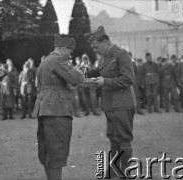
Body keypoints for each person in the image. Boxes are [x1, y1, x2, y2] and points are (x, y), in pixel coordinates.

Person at [84, 26, 136, 179]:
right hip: (110, 104)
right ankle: (113, 171)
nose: (95, 50)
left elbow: (128, 79)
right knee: (113, 138)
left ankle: (125, 174)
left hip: (122, 103)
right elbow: (102, 75)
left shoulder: (121, 55)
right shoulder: (104, 58)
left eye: (96, 46)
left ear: (105, 41)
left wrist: (104, 81)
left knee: (123, 139)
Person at [32, 34, 84, 180]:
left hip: (44, 108)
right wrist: (78, 70)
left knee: (47, 150)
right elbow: (77, 78)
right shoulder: (57, 59)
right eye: (69, 52)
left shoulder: (44, 62)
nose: (69, 56)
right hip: (57, 110)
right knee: (57, 150)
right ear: (64, 49)